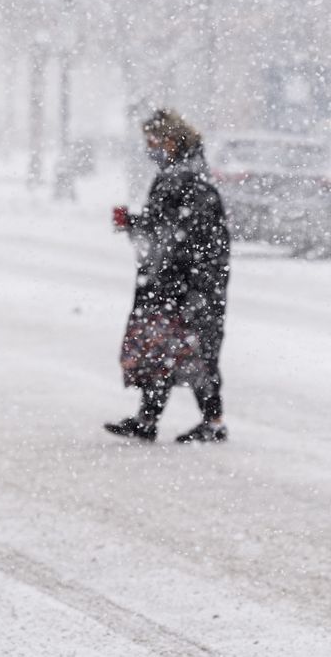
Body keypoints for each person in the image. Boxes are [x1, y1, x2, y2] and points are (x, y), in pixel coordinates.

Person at [105, 109, 231, 443]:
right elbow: (169, 230)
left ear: (172, 141)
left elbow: (176, 235)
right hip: (184, 282)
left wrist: (185, 281)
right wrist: (135, 224)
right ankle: (149, 420)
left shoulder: (181, 180)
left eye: (154, 141)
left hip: (182, 284)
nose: (150, 148)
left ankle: (212, 422)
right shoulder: (188, 176)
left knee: (188, 350)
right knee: (164, 350)